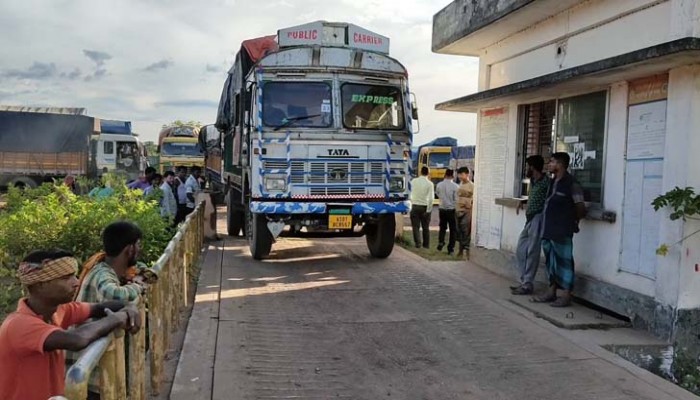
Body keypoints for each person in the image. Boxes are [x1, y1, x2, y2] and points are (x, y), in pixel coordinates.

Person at [0, 249, 140, 400]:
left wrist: (129, 307)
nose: (76, 282)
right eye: (66, 278)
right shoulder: (19, 324)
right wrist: (117, 319)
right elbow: (76, 339)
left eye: (74, 275)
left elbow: (99, 308)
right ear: (40, 285)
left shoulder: (58, 310)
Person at [68, 222, 151, 399]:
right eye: (138, 245)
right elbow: (115, 294)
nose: (140, 249)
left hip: (92, 364)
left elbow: (147, 272)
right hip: (87, 367)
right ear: (129, 249)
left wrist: (138, 276)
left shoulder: (109, 268)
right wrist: (137, 285)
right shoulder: (102, 273)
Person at [533, 152, 586, 307]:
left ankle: (566, 295)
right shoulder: (552, 182)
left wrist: (574, 221)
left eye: (552, 162)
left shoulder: (572, 183)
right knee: (551, 262)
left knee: (565, 262)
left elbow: (580, 207)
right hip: (548, 229)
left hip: (563, 230)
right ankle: (551, 292)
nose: (549, 165)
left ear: (560, 164)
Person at [511, 156, 550, 295]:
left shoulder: (546, 182)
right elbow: (534, 196)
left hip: (539, 217)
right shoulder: (533, 181)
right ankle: (524, 281)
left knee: (532, 251)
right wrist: (523, 201)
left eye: (528, 166)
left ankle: (527, 283)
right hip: (530, 218)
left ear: (533, 167)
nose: (526, 169)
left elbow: (549, 199)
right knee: (521, 249)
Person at [409, 166, 434, 249]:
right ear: (428, 173)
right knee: (425, 227)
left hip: (415, 205)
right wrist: (429, 210)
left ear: (420, 172)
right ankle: (426, 245)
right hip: (424, 206)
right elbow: (431, 198)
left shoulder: (413, 181)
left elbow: (410, 193)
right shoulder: (430, 184)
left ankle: (418, 244)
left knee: (415, 227)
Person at [435, 169, 459, 255]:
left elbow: (437, 194)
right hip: (451, 210)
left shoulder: (439, 185)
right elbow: (456, 199)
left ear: (445, 175)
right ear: (453, 176)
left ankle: (441, 242)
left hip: (442, 209)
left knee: (442, 227)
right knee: (453, 230)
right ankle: (451, 248)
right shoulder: (455, 186)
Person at [455, 167, 474, 257]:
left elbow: (473, 199)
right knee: (459, 231)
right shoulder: (460, 184)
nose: (460, 177)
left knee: (465, 230)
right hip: (459, 210)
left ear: (467, 174)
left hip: (467, 211)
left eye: (462, 174)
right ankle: (460, 251)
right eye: (459, 175)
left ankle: (467, 251)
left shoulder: (472, 186)